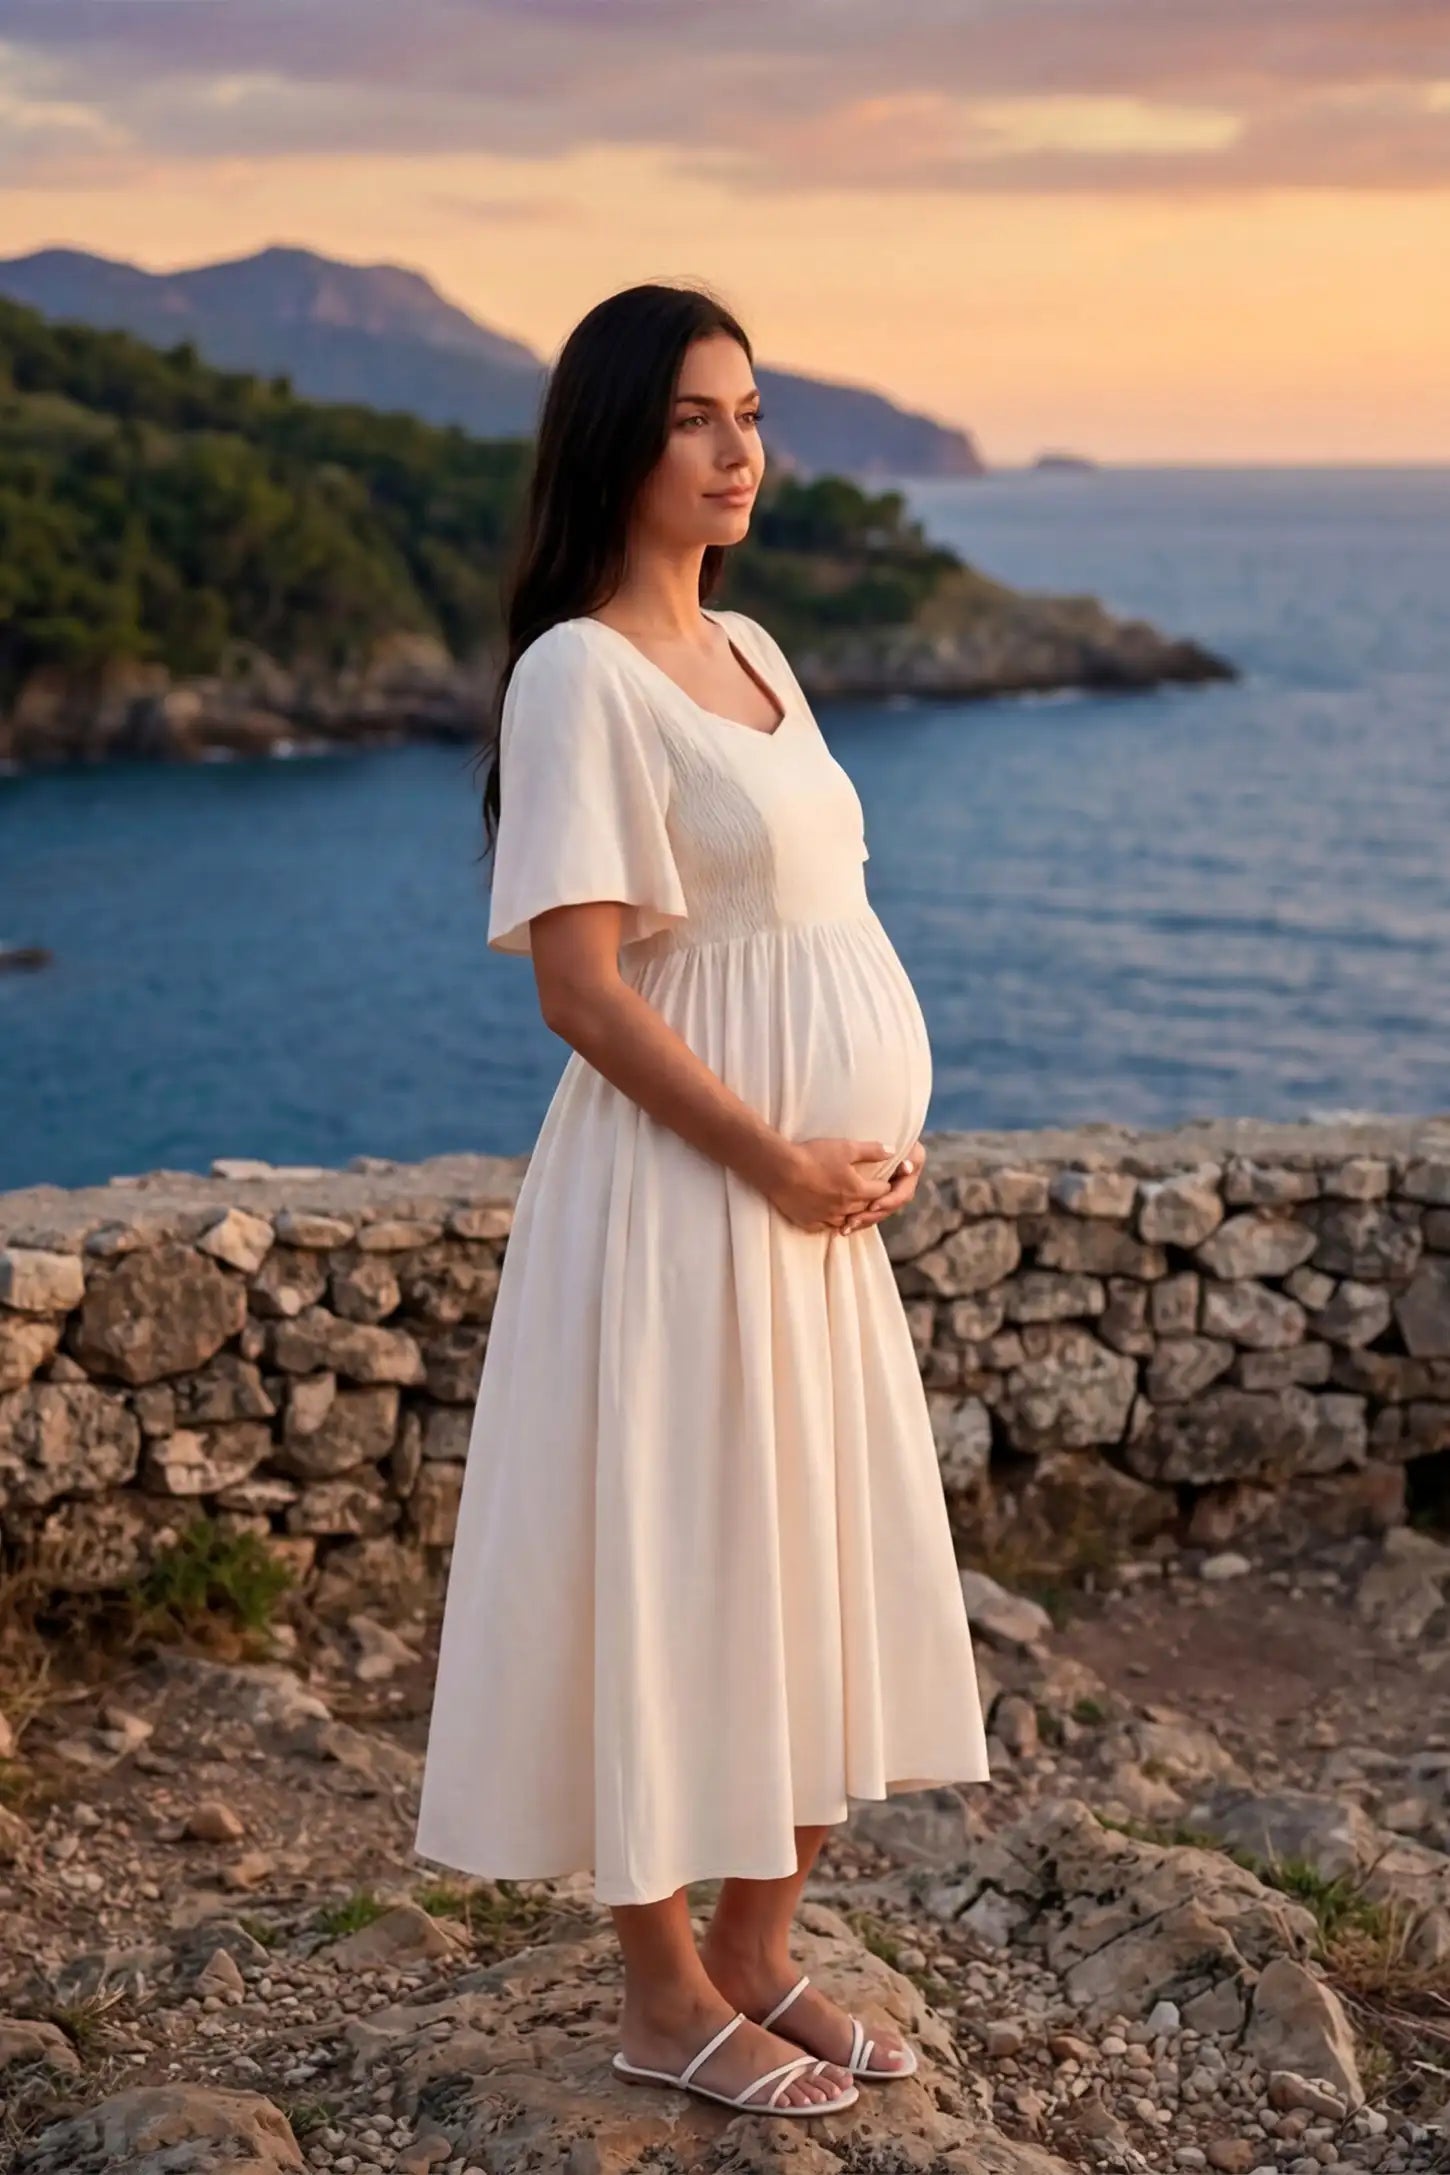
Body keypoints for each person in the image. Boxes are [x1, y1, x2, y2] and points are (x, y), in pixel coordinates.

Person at [414, 280, 990, 2120]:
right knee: (680, 1571)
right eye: (693, 419)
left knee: (808, 1570)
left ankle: (757, 1947)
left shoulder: (758, 654)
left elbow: (816, 924)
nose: (740, 450)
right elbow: (579, 988)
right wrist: (774, 1149)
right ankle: (661, 1996)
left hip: (813, 1217)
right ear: (613, 440)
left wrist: (868, 1139)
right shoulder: (576, 671)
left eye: (749, 412)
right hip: (685, 1200)